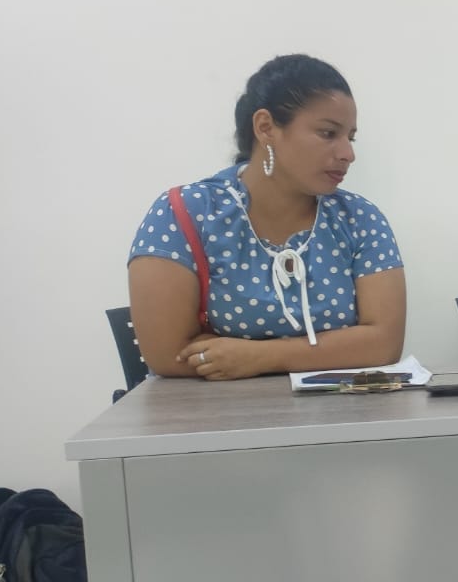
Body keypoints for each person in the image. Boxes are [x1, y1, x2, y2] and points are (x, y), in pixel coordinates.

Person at [128, 54, 405, 380]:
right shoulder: (182, 214)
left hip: (337, 410)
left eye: (350, 137)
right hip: (213, 410)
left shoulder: (360, 219)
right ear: (265, 127)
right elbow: (167, 353)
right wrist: (336, 349)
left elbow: (384, 343)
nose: (348, 153)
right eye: (328, 133)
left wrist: (260, 356)